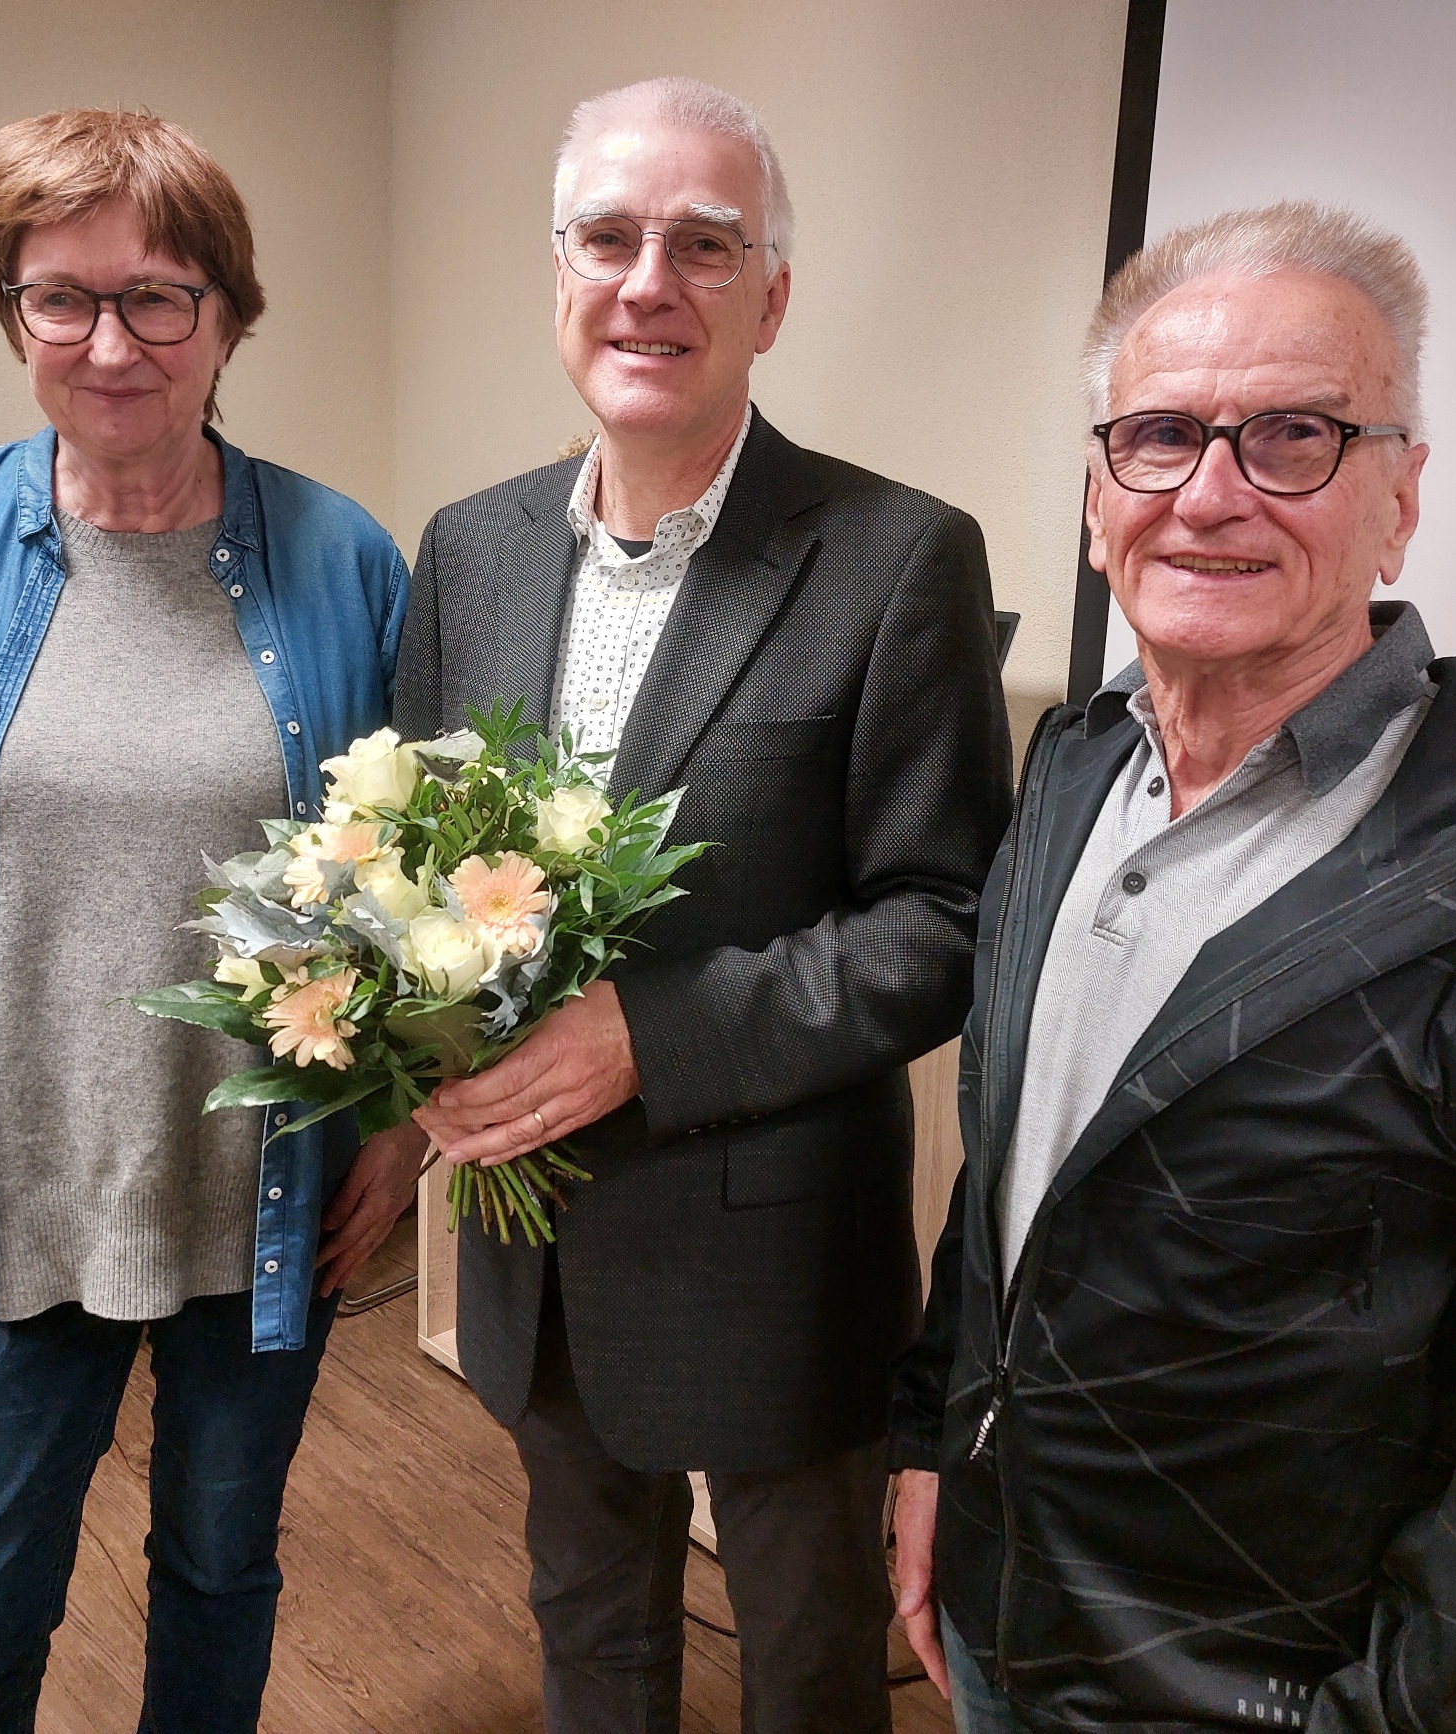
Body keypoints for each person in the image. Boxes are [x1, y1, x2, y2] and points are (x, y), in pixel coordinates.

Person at [889, 200, 1456, 1733]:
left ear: (1400, 497)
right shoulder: (1076, 763)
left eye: (1292, 435)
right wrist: (930, 1451)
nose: (1209, 494)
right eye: (1158, 435)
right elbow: (1021, 1178)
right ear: (1100, 492)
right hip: (1004, 1619)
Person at [386, 76, 1013, 1734]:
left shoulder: (895, 555)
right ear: (561, 275)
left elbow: (943, 918)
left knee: (808, 1669)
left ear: (773, 297)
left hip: (774, 1258)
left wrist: (646, 1038)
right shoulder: (470, 550)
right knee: (591, 1638)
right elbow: (419, 873)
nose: (648, 279)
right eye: (610, 236)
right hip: (539, 1246)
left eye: (705, 245)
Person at [0, 108, 412, 1732]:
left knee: (221, 1573)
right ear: (11, 313)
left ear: (229, 315)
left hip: (260, 1199)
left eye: (157, 296)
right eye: (58, 296)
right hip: (6, 1193)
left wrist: (403, 1136)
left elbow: (408, 898)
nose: (109, 341)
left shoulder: (345, 558)